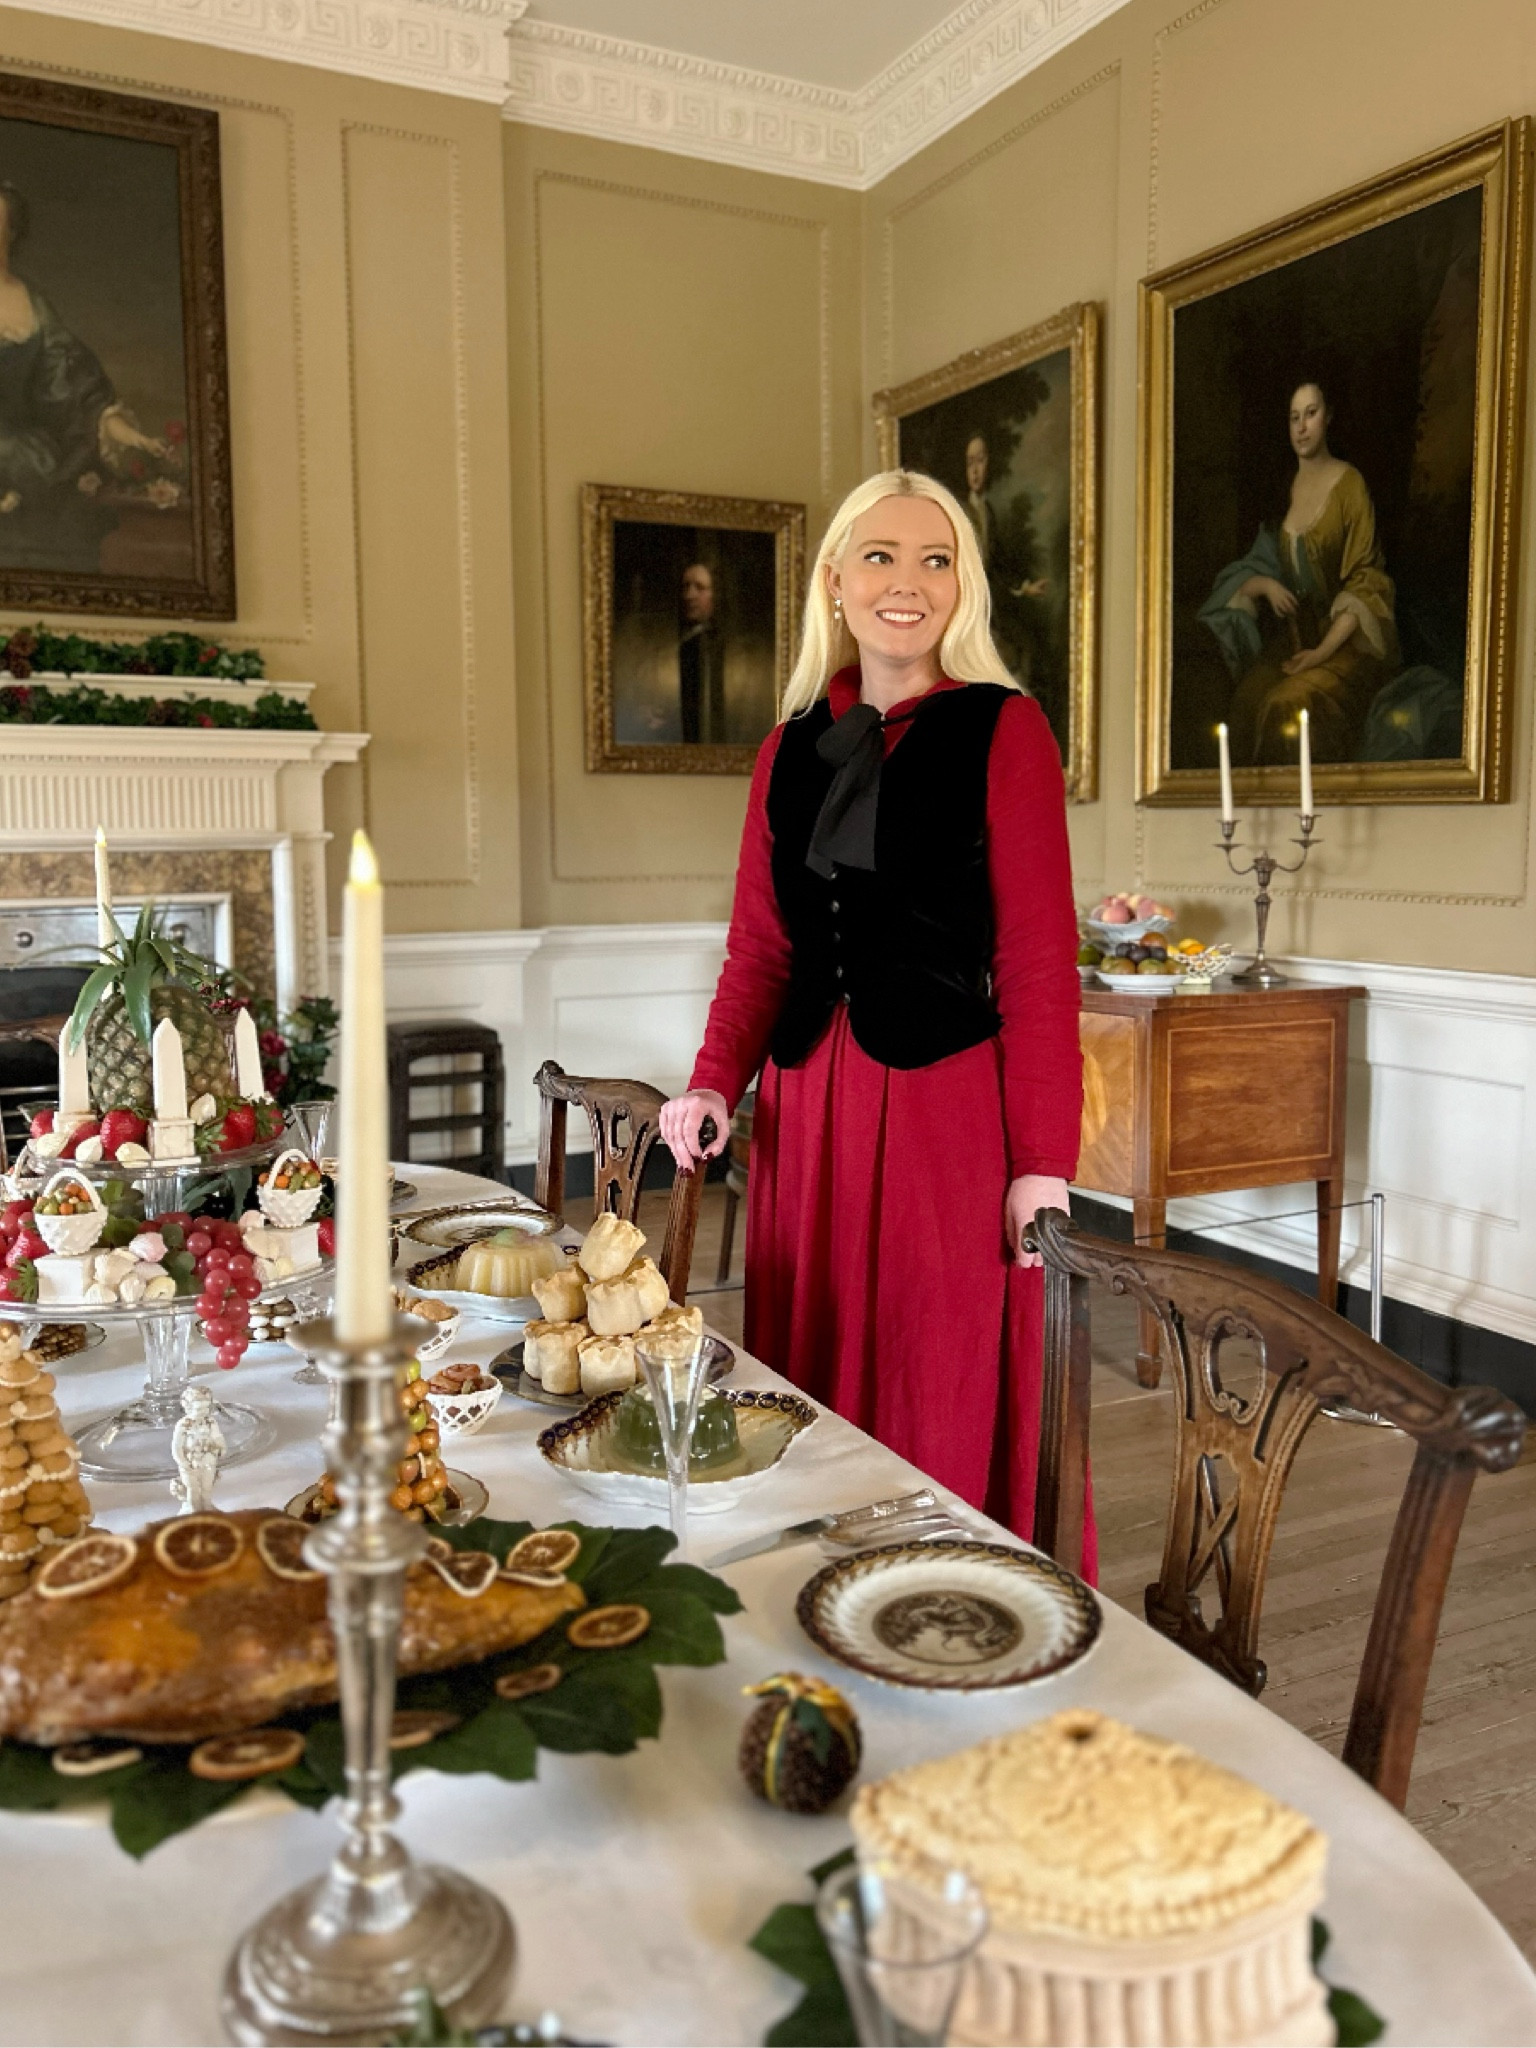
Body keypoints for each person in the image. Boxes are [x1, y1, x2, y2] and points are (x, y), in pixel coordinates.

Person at [660, 468, 1091, 1567]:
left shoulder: (1006, 731)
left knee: (928, 1353)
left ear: (965, 587)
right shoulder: (789, 746)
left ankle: (937, 1582)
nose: (909, 582)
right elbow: (761, 944)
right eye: (883, 557)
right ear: (836, 582)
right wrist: (714, 1079)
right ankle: (818, 1565)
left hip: (948, 1107)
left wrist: (1043, 1158)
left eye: (936, 559)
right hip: (809, 1107)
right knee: (818, 1349)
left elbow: (1040, 961)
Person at [1201, 381, 1398, 764]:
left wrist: (1321, 652)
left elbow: (1367, 581)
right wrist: (1266, 585)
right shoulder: (1284, 489)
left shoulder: (1349, 485)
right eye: (1294, 418)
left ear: (1329, 418)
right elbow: (1255, 565)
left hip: (1344, 645)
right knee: (1243, 704)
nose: (1302, 427)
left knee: (1287, 705)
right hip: (1294, 643)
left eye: (1311, 414)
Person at [0, 182, 170, 571]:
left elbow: (72, 382)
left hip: (25, 458)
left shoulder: (33, 304)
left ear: (12, 233)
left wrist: (115, 425)